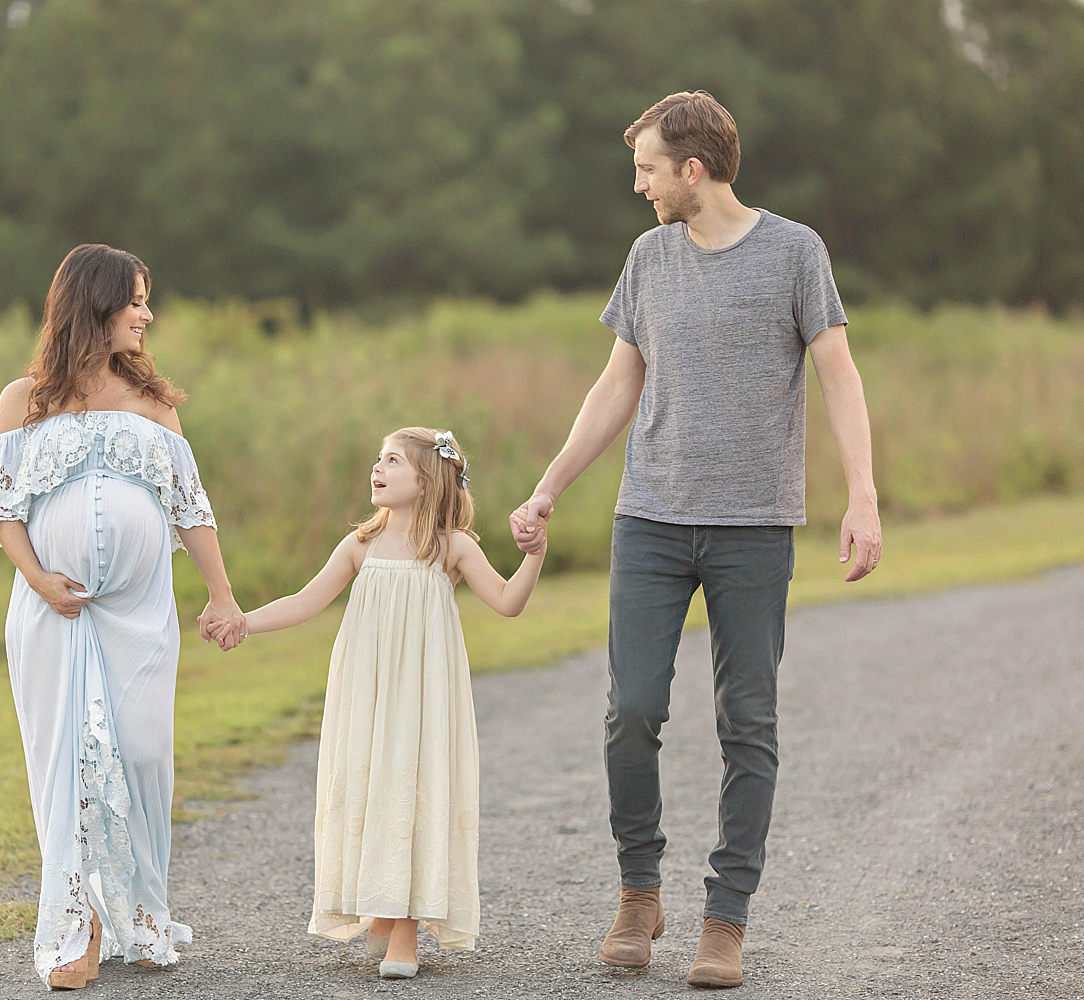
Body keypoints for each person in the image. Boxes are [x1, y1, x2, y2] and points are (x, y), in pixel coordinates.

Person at [511, 91, 882, 989]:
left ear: (692, 169)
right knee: (631, 707)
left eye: (646, 168)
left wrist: (863, 496)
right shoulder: (648, 257)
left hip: (755, 526)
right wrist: (550, 485)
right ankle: (640, 893)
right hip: (650, 520)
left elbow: (838, 375)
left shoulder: (795, 252)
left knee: (746, 722)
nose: (636, 186)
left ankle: (726, 920)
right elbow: (615, 386)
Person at [0, 244, 246, 989]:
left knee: (144, 754)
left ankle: (138, 911)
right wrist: (39, 580)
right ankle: (78, 928)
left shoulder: (155, 402)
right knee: (68, 766)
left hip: (139, 613)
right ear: (96, 304)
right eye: (137, 301)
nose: (148, 315)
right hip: (52, 614)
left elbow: (192, 506)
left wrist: (221, 595)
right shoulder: (22, 399)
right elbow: (1, 508)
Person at [207, 427, 546, 979]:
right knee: (370, 784)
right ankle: (381, 907)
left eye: (392, 461)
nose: (377, 467)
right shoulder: (360, 544)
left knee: (412, 785)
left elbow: (508, 602)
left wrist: (536, 555)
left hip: (421, 692)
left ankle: (406, 925)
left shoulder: (452, 546)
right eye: (378, 459)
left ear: (426, 478)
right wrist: (244, 622)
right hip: (366, 689)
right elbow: (305, 601)